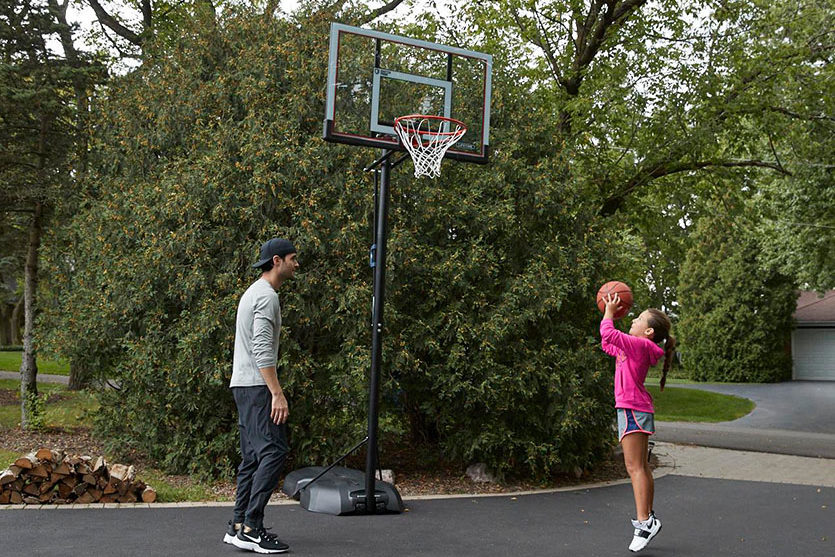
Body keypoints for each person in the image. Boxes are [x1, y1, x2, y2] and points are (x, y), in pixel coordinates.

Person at [224, 238, 299, 554]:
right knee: (274, 451)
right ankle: (252, 528)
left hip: (243, 384)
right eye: (294, 259)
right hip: (257, 386)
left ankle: (238, 525)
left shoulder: (253, 292)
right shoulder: (266, 297)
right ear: (277, 261)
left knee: (253, 457)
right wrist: (277, 393)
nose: (297, 264)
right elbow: (262, 349)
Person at [600, 293, 676, 553]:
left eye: (639, 319)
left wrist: (609, 312)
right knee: (640, 467)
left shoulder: (641, 346)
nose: (633, 320)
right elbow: (607, 343)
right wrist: (610, 319)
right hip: (633, 409)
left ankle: (644, 522)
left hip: (632, 409)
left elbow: (609, 334)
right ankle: (648, 518)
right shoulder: (634, 346)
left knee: (634, 468)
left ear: (649, 331)